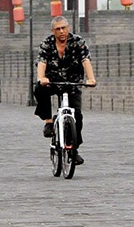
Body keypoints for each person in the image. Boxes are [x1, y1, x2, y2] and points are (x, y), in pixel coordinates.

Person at [34, 16, 96, 165]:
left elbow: (85, 60)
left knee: (77, 116)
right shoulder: (47, 44)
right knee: (39, 90)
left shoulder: (78, 42)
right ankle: (49, 122)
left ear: (68, 28)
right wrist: (42, 78)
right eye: (58, 29)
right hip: (52, 81)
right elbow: (41, 62)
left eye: (64, 28)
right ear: (53, 31)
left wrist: (91, 78)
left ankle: (73, 150)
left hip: (72, 82)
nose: (61, 31)